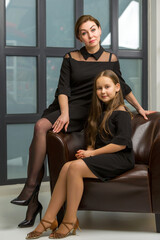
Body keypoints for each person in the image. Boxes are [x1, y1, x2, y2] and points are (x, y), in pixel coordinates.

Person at [10, 15, 152, 228]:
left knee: (44, 132)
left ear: (100, 30)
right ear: (79, 37)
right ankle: (30, 189)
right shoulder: (71, 57)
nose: (90, 35)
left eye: (93, 30)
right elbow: (63, 89)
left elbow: (121, 85)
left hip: (92, 109)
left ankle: (33, 204)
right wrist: (64, 113)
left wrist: (139, 108)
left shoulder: (111, 59)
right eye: (84, 33)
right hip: (69, 106)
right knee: (41, 126)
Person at [25, 69, 135, 239]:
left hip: (120, 158)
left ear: (117, 87)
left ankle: (69, 221)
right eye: (99, 88)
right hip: (104, 156)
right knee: (67, 166)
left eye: (107, 87)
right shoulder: (100, 113)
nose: (103, 91)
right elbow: (96, 139)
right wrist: (89, 150)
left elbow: (120, 145)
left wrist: (92, 154)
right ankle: (48, 219)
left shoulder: (122, 114)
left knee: (75, 168)